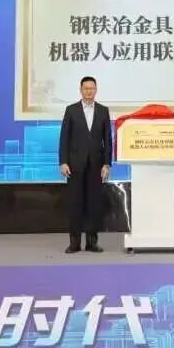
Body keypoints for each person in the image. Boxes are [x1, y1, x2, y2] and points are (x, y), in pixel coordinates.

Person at [59, 76, 112, 253]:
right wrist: (63, 162)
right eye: (86, 88)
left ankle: (92, 242)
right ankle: (74, 243)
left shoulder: (103, 111)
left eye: (92, 88)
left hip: (96, 165)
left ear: (96, 90)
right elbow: (64, 138)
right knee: (75, 204)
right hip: (74, 165)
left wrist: (107, 164)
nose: (89, 91)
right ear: (81, 90)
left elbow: (108, 140)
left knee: (93, 204)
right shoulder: (71, 110)